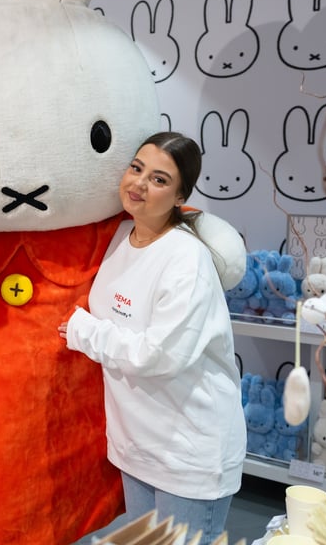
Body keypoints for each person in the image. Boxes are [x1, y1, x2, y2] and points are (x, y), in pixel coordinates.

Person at [59, 131, 246, 543]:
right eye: (137, 168)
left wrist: (84, 331)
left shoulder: (186, 258)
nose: (140, 184)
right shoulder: (118, 239)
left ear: (181, 197)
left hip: (189, 451)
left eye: (159, 180)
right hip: (136, 442)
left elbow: (160, 355)